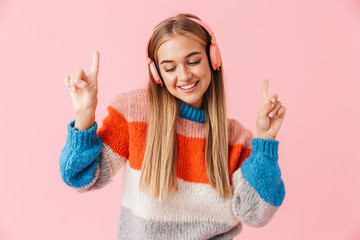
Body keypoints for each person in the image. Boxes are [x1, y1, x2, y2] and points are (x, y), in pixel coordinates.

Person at [60, 13, 286, 240]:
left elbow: (256, 214)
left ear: (213, 59)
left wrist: (266, 140)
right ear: (157, 74)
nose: (184, 75)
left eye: (193, 61)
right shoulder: (134, 112)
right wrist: (84, 115)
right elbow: (80, 176)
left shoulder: (236, 140)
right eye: (170, 68)